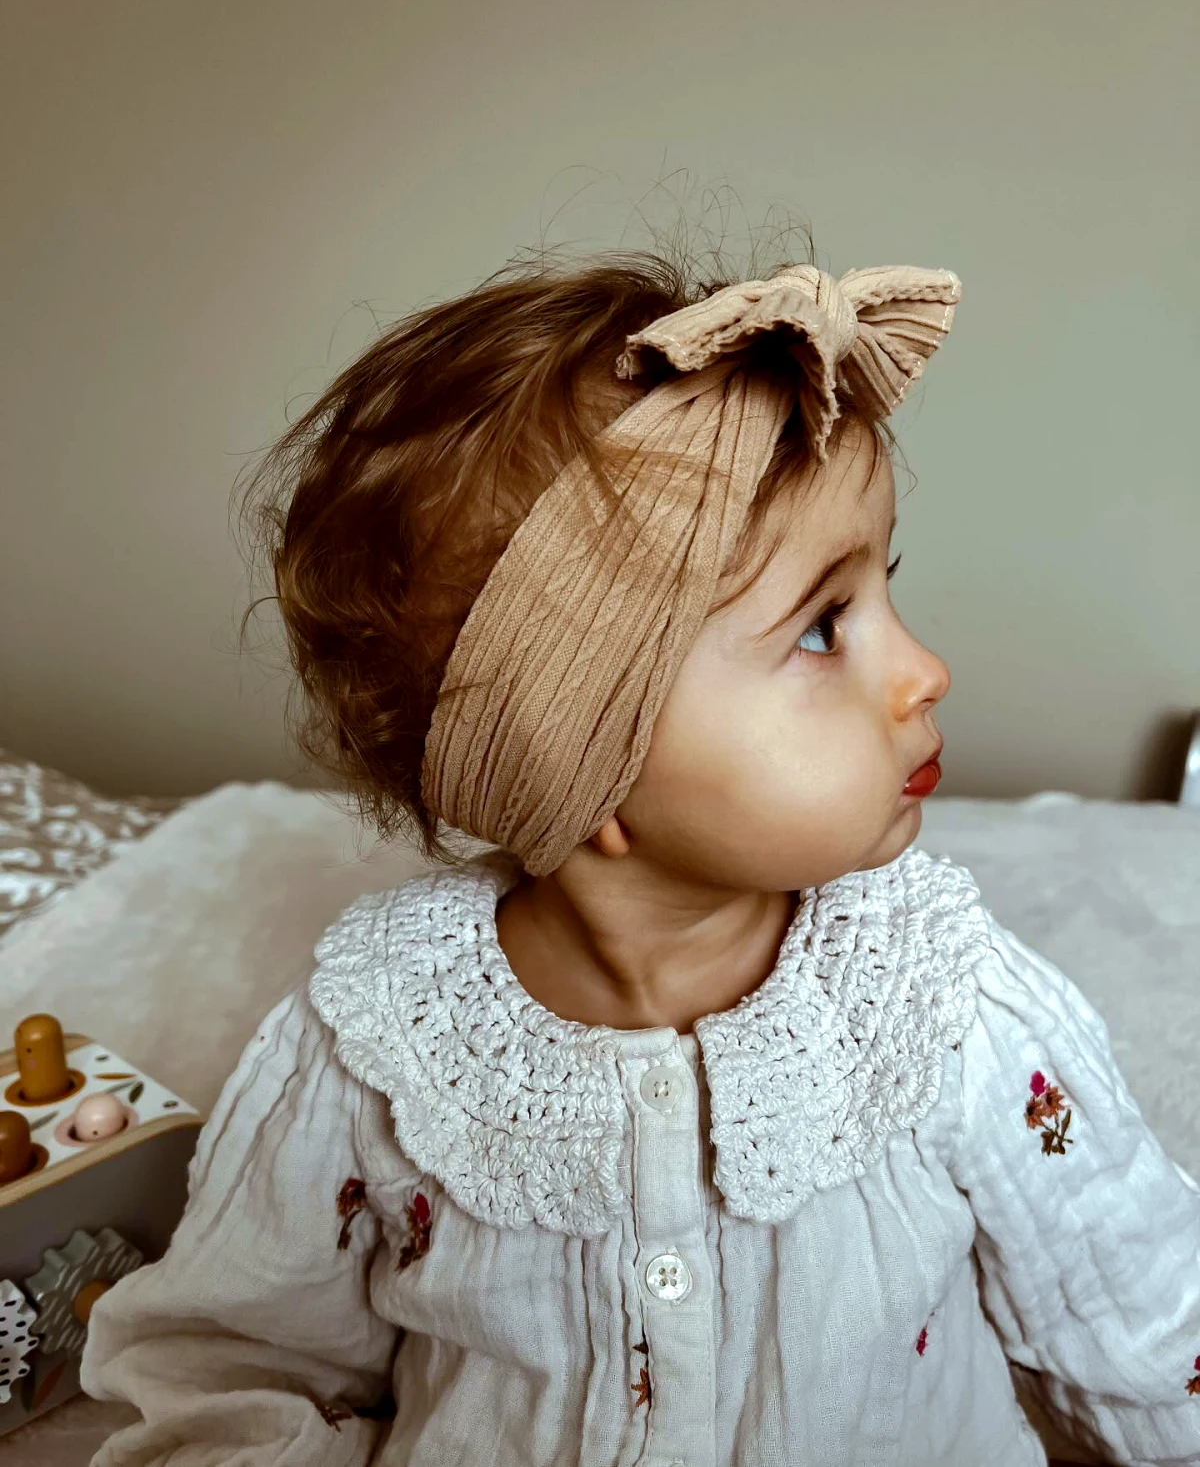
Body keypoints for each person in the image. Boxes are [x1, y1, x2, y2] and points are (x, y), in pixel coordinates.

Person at [81, 235, 1200, 1467]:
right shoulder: (373, 1057)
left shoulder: (944, 1009)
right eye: (825, 630)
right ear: (586, 765)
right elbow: (230, 1371)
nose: (925, 670)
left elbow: (1147, 1329)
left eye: (885, 589)